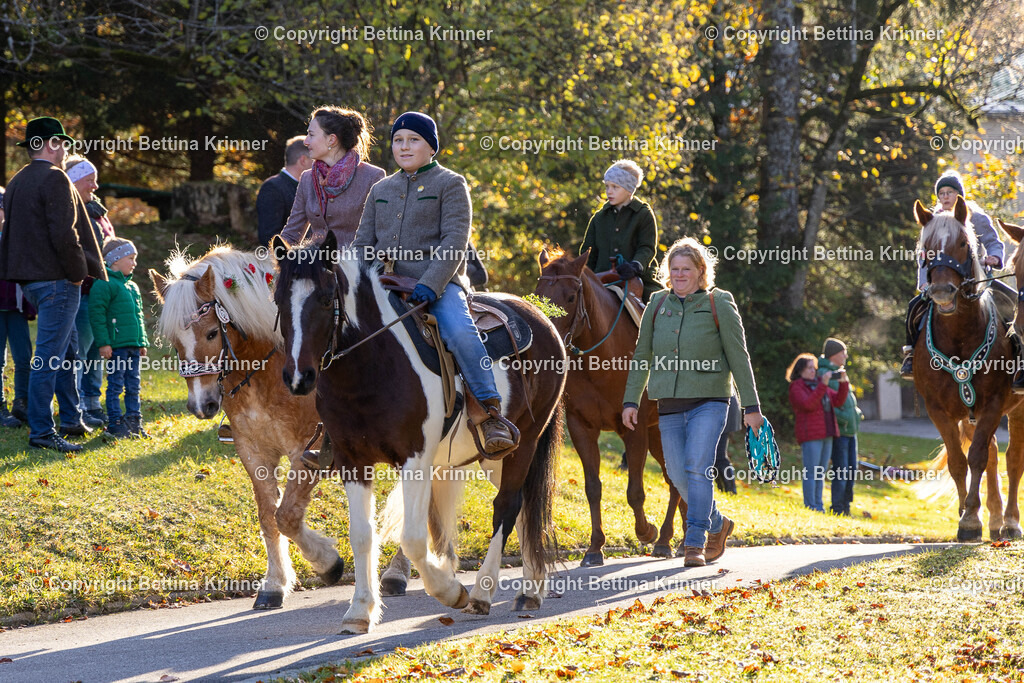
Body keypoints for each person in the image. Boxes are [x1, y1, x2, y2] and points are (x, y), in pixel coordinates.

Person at [354, 111, 514, 455]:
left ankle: (489, 412)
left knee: (459, 331)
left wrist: (431, 282)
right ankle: (329, 425)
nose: (404, 146)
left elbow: (455, 240)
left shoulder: (451, 183)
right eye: (398, 140)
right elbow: (362, 244)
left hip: (437, 284)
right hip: (382, 283)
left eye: (413, 140)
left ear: (431, 147)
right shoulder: (380, 189)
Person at [622, 237, 763, 567]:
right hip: (669, 404)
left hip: (710, 401)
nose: (680, 274)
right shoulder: (657, 304)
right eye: (674, 269)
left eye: (686, 269)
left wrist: (751, 407)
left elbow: (738, 356)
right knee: (677, 473)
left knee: (698, 468)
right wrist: (631, 401)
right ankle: (718, 523)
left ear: (701, 271)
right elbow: (642, 356)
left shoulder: (719, 302)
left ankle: (694, 541)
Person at [0, 117, 106, 452]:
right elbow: (65, 233)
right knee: (49, 357)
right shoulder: (55, 177)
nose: (65, 150)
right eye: (62, 143)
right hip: (57, 281)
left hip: (30, 281)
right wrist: (77, 273)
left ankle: (71, 418)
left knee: (66, 350)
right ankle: (43, 432)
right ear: (51, 144)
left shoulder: (17, 180)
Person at [900, 170, 1018, 386]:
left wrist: (994, 257)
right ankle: (910, 354)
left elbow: (994, 242)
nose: (945, 196)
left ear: (959, 195)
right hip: (941, 282)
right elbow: (924, 255)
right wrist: (924, 282)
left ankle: (1020, 360)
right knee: (914, 307)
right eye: (941, 193)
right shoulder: (932, 221)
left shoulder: (977, 217)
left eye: (950, 192)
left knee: (1014, 304)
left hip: (980, 281)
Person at [279, 106, 385, 247]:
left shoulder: (373, 177)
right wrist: (270, 257)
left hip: (356, 260)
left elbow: (382, 234)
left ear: (331, 140)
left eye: (311, 135)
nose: (306, 141)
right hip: (314, 261)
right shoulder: (307, 178)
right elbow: (291, 234)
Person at [65, 156, 114, 429]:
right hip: (82, 292)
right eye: (90, 180)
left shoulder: (97, 211)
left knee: (97, 349)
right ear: (74, 181)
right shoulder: (70, 210)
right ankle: (77, 406)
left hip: (101, 294)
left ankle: (93, 403)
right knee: (79, 352)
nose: (95, 186)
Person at [89, 237, 150, 439]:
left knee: (133, 385)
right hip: (116, 347)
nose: (134, 263)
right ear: (115, 260)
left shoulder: (132, 287)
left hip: (133, 346)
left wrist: (142, 342)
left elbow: (138, 317)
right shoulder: (103, 284)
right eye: (130, 258)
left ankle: (134, 420)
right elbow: (97, 315)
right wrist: (104, 343)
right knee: (115, 385)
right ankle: (115, 423)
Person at [580, 159, 661, 302]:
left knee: (660, 304)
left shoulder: (643, 214)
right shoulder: (598, 218)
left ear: (629, 189)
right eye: (607, 186)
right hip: (600, 281)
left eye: (615, 187)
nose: (609, 191)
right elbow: (588, 253)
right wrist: (584, 277)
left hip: (638, 280)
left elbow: (646, 248)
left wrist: (635, 266)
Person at [787, 352, 849, 512]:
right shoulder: (797, 386)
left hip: (827, 433)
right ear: (800, 369)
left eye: (814, 368)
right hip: (811, 435)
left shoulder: (818, 384)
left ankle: (818, 506)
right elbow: (808, 404)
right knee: (811, 472)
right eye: (809, 368)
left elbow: (838, 401)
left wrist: (843, 383)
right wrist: (823, 385)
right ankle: (810, 505)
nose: (813, 371)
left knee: (821, 472)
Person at [0, 186, 34, 428]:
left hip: (17, 309)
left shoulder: (17, 237)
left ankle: (21, 403)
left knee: (24, 358)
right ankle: (0, 407)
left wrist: (30, 303)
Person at [818, 338, 862, 516]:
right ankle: (837, 508)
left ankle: (846, 506)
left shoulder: (839, 371)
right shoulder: (825, 373)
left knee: (851, 470)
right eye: (843, 352)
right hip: (840, 430)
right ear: (833, 354)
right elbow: (827, 401)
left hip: (851, 430)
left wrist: (856, 414)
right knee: (841, 470)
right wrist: (843, 418)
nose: (846, 356)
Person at [256, 136, 312, 246]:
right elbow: (268, 236)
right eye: (315, 160)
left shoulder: (309, 187)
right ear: (303, 160)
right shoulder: (272, 188)